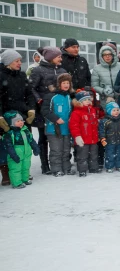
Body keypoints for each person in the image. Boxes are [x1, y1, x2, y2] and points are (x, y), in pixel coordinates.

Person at [29, 47, 67, 175]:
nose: (61, 59)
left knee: (61, 135)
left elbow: (67, 86)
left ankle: (61, 162)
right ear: (51, 57)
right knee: (44, 136)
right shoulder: (38, 70)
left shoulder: (62, 70)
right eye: (58, 57)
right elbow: (31, 88)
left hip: (60, 109)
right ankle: (45, 165)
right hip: (44, 109)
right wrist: (39, 99)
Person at [42, 74, 73, 177]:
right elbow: (45, 111)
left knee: (66, 150)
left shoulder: (69, 96)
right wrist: (56, 119)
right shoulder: (51, 96)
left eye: (68, 83)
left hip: (66, 129)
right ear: (59, 84)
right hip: (54, 129)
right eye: (64, 83)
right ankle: (56, 169)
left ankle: (66, 168)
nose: (66, 85)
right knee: (56, 150)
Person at [2, 111, 40, 189]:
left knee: (26, 166)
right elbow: (9, 146)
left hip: (26, 152)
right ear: (11, 123)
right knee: (15, 168)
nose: (20, 122)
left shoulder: (25, 130)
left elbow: (31, 140)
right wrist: (13, 155)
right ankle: (16, 183)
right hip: (16, 153)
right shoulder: (10, 133)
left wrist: (35, 148)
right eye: (17, 121)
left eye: (21, 120)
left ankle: (24, 179)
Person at [69, 90, 100, 177]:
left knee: (93, 154)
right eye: (85, 100)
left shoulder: (92, 110)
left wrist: (97, 135)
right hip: (83, 139)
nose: (88, 101)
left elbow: (95, 124)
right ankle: (82, 170)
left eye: (89, 99)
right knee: (82, 155)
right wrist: (77, 136)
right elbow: (74, 126)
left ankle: (93, 168)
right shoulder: (76, 113)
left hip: (93, 138)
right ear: (80, 102)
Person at [92, 44, 120, 111]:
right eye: (105, 55)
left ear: (113, 55)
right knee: (108, 119)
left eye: (109, 54)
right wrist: (103, 91)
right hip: (106, 100)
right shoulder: (97, 69)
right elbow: (94, 86)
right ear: (101, 56)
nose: (107, 56)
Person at [99, 101, 120, 173]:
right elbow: (102, 131)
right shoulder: (105, 121)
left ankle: (119, 165)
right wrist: (103, 138)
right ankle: (109, 166)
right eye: (114, 110)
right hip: (109, 142)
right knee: (110, 154)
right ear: (109, 111)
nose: (116, 112)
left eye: (117, 110)